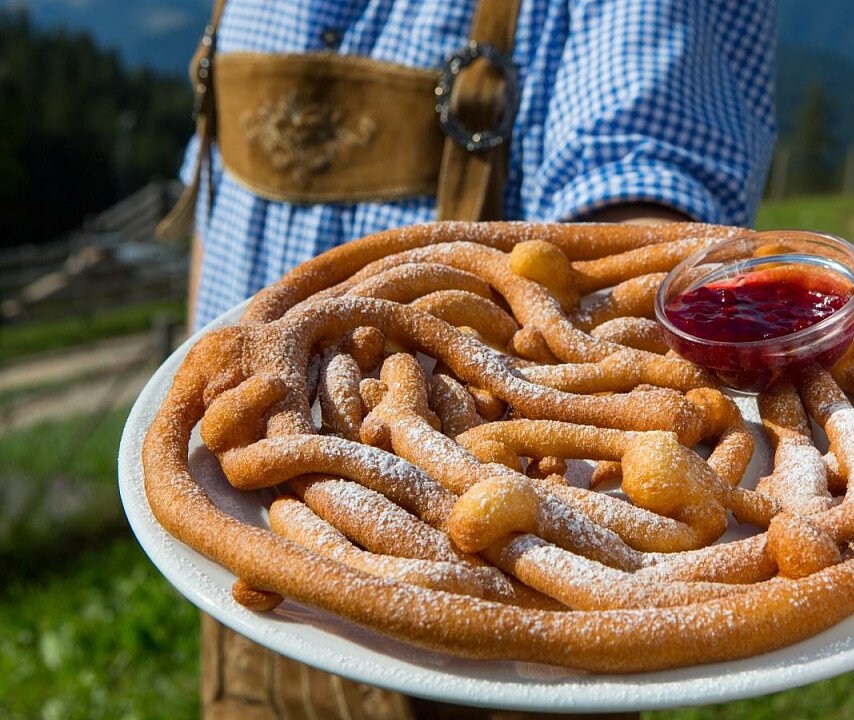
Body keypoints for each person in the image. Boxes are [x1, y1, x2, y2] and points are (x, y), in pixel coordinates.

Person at [167, 0, 776, 717]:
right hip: (253, 563)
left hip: (502, 633)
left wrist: (590, 394)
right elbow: (216, 187)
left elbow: (631, 219)